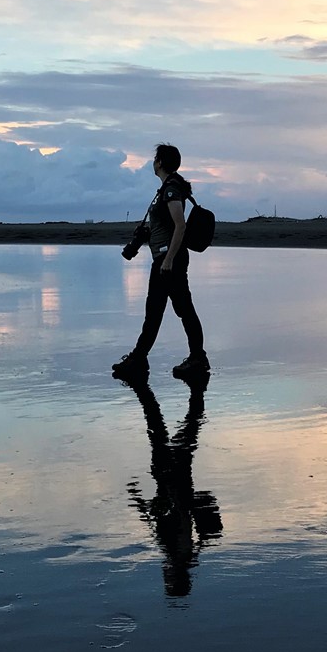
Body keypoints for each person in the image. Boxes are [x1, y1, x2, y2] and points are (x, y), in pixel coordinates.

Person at [113, 143, 208, 379]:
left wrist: (168, 260)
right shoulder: (167, 188)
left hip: (168, 261)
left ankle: (143, 360)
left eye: (155, 159)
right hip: (166, 259)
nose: (153, 162)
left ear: (160, 163)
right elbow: (167, 225)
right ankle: (190, 357)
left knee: (169, 311)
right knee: (173, 309)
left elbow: (180, 225)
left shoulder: (171, 190)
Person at [123, 374, 222, 598]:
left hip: (174, 480)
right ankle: (192, 392)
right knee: (160, 427)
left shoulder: (185, 552)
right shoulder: (179, 551)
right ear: (174, 577)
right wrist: (139, 498)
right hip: (170, 478)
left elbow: (160, 517)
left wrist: (139, 499)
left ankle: (196, 394)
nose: (164, 576)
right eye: (168, 581)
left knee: (174, 429)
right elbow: (170, 515)